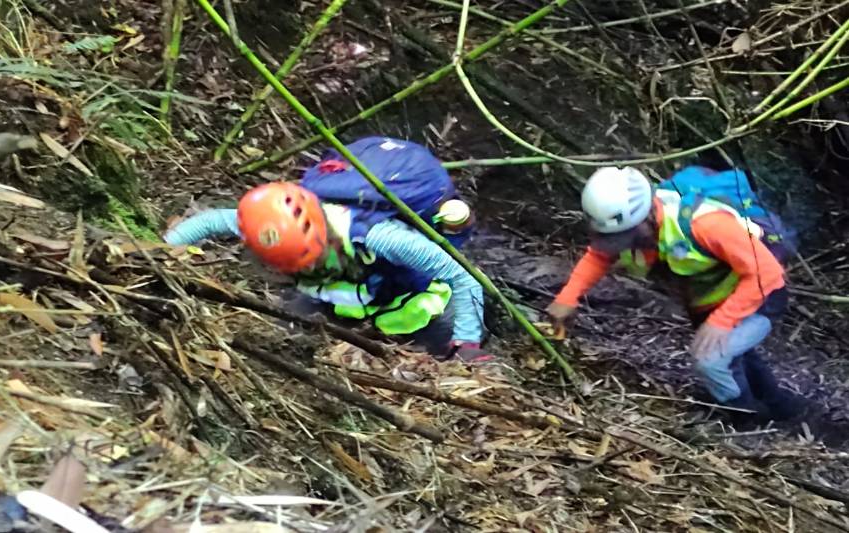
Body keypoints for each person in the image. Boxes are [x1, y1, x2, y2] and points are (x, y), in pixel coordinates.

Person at [164, 136, 492, 362]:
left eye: (309, 261)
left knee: (442, 346)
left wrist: (467, 342)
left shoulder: (382, 237)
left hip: (413, 297)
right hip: (338, 297)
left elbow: (463, 280)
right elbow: (207, 223)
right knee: (286, 333)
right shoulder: (268, 222)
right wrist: (160, 251)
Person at [546, 165, 804, 421]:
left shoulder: (707, 224)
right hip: (711, 299)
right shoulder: (634, 228)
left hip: (761, 295)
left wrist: (721, 321)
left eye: (624, 236)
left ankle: (746, 419)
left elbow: (766, 273)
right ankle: (782, 407)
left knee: (710, 360)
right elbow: (600, 255)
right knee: (737, 356)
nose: (619, 245)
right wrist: (567, 297)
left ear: (647, 217)